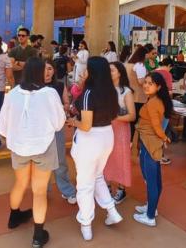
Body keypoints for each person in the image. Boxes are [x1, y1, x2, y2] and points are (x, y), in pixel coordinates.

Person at [0, 57, 66, 248]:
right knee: (39, 191)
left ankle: (14, 217)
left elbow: (2, 127)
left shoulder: (12, 94)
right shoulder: (50, 93)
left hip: (19, 147)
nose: (48, 73)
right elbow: (60, 123)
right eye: (45, 70)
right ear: (37, 73)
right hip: (44, 147)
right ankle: (38, 236)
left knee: (20, 183)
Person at [67, 57, 123, 241]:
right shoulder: (111, 91)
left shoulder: (89, 93)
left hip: (89, 140)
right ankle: (111, 211)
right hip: (107, 136)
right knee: (97, 175)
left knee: (84, 184)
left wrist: (73, 121)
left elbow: (86, 125)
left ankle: (86, 223)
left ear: (91, 72)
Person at [131, 71, 174, 226]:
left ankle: (150, 217)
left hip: (150, 143)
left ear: (159, 86)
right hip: (148, 141)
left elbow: (156, 126)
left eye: (151, 84)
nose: (146, 86)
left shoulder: (154, 102)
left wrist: (164, 138)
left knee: (151, 180)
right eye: (146, 82)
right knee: (153, 178)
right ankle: (151, 207)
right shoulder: (155, 99)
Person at [42, 58, 78, 205]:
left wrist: (64, 108)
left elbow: (66, 103)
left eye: (50, 68)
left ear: (54, 71)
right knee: (41, 161)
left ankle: (67, 190)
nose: (47, 72)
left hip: (56, 128)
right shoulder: (34, 87)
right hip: (39, 130)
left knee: (60, 160)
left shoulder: (58, 85)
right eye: (44, 68)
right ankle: (42, 189)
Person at [105, 62, 137, 204]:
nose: (109, 72)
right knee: (106, 158)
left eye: (111, 70)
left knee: (121, 158)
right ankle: (106, 186)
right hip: (105, 128)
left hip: (120, 130)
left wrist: (114, 117)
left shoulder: (126, 92)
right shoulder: (105, 88)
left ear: (120, 73)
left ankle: (121, 189)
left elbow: (132, 116)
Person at [125, 45, 149, 138]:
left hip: (129, 94)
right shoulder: (140, 65)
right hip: (138, 96)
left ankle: (128, 139)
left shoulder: (128, 64)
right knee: (135, 120)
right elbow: (140, 81)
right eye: (147, 54)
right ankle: (132, 140)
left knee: (130, 119)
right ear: (143, 55)